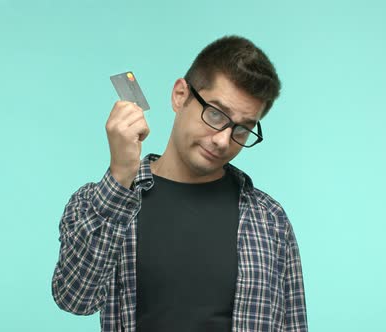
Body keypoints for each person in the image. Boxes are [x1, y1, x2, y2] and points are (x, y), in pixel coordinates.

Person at [51, 35, 308, 332]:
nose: (223, 140)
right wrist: (121, 176)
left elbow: (293, 326)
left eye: (242, 129)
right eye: (215, 113)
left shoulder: (269, 219)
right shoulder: (99, 203)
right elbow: (74, 299)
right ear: (180, 95)